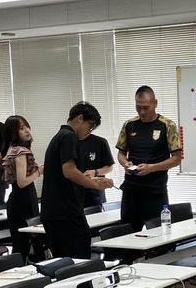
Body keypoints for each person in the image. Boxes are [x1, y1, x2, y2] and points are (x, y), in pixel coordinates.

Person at [41, 103, 113, 258]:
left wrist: (86, 179)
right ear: (80, 119)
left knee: (63, 263)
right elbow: (69, 171)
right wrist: (95, 184)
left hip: (53, 214)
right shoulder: (69, 136)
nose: (89, 132)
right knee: (80, 261)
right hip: (66, 213)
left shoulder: (59, 136)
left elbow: (65, 174)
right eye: (90, 126)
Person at [115, 86, 181, 230]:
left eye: (146, 108)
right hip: (131, 190)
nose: (142, 112)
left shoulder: (167, 125)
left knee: (160, 234)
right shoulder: (129, 125)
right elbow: (121, 154)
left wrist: (152, 168)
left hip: (155, 191)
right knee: (128, 233)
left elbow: (177, 158)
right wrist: (125, 164)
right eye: (138, 107)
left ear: (155, 103)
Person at [1, 115, 42, 262]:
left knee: (21, 244)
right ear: (13, 132)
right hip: (23, 199)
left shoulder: (13, 149)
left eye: (27, 127)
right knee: (27, 243)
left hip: (19, 198)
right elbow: (22, 182)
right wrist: (39, 171)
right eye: (21, 128)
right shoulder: (20, 151)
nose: (27, 131)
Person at [78, 129, 114, 208]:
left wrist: (95, 172)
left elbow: (109, 167)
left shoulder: (100, 142)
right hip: (74, 194)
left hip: (95, 194)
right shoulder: (69, 143)